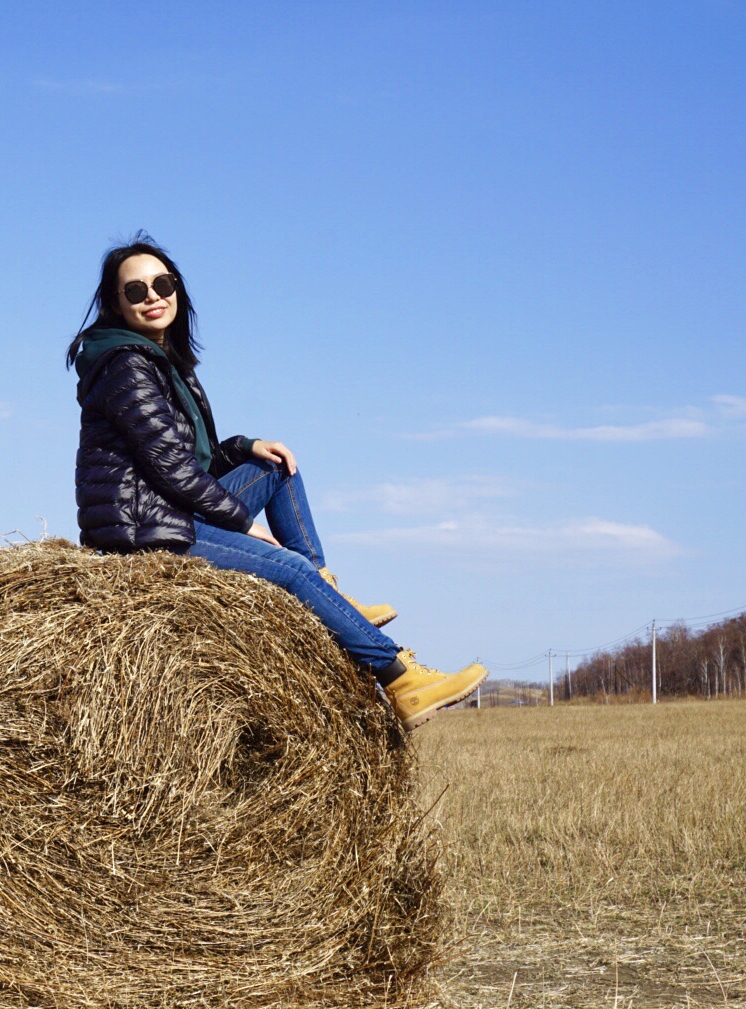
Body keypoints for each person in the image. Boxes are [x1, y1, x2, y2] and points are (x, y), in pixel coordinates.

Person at [68, 234, 487, 730]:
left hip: (171, 509)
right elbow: (169, 467)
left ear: (178, 290)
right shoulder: (127, 363)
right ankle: (400, 681)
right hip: (145, 529)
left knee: (278, 466)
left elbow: (192, 461)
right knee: (286, 567)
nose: (153, 296)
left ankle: (329, 593)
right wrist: (242, 521)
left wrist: (246, 447)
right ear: (117, 305)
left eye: (163, 283)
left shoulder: (163, 361)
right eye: (135, 291)